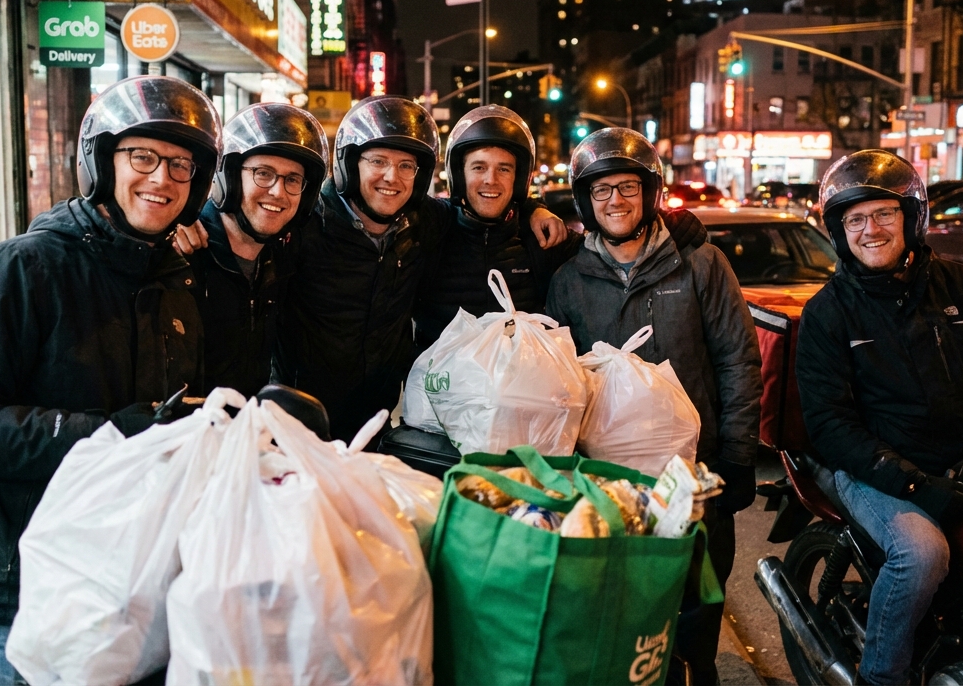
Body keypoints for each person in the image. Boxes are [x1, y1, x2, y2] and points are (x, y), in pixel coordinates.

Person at [0, 76, 221, 684]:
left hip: (127, 593)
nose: (161, 179)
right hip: (20, 596)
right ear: (102, 161)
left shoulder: (175, 282)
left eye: (181, 165)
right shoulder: (24, 267)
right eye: (143, 157)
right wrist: (110, 436)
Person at [795, 149, 963, 686]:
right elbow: (829, 424)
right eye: (854, 220)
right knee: (922, 554)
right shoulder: (828, 312)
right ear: (838, 230)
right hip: (871, 471)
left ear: (911, 218)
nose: (870, 230)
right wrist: (912, 484)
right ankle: (883, 676)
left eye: (883, 214)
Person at [544, 128, 763, 685]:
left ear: (649, 193)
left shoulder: (701, 264)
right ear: (585, 202)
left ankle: (702, 669)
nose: (614, 201)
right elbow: (557, 378)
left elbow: (738, 362)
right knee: (623, 607)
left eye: (626, 188)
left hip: (695, 469)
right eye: (601, 192)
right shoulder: (570, 278)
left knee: (700, 596)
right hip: (606, 478)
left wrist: (737, 457)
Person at [273, 96, 565, 441]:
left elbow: (489, 202)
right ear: (351, 164)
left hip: (380, 423)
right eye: (378, 161)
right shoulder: (302, 224)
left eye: (406, 166)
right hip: (298, 421)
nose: (391, 177)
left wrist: (533, 208)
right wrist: (195, 222)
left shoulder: (422, 223)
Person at [412, 105, 708, 352]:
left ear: (518, 180)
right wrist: (534, 208)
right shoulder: (434, 227)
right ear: (459, 175)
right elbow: (394, 206)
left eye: (504, 169)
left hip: (523, 405)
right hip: (439, 403)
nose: (491, 179)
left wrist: (667, 225)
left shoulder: (543, 240)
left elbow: (609, 245)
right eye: (478, 167)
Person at [173, 103, 327, 397]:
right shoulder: (182, 252)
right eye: (263, 173)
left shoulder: (282, 257)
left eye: (292, 180)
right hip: (182, 434)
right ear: (229, 177)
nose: (278, 191)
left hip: (246, 429)